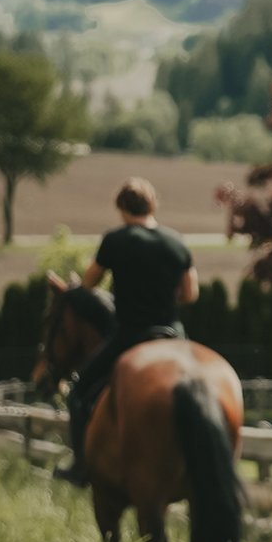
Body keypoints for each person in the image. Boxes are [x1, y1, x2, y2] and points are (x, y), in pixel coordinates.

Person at [54, 177, 200, 486]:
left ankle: (80, 467)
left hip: (131, 334)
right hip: (173, 335)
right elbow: (190, 294)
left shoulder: (114, 241)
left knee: (79, 394)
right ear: (153, 205)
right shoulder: (177, 242)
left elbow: (90, 284)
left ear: (121, 208)